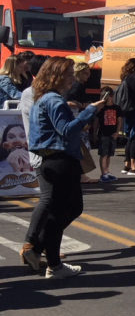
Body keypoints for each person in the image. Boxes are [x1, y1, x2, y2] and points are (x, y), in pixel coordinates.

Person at [27, 57, 105, 278]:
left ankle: (43, 253)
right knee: (60, 211)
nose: (72, 78)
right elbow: (67, 130)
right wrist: (89, 112)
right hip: (59, 159)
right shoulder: (54, 100)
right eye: (69, 74)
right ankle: (48, 258)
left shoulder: (45, 98)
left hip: (56, 159)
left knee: (65, 209)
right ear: (57, 76)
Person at [17, 54, 49, 271]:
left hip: (53, 154)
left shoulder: (47, 93)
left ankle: (40, 246)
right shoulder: (32, 93)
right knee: (50, 201)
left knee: (65, 204)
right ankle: (33, 246)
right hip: (43, 154)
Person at [118, 58, 135, 176]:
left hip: (127, 111)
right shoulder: (134, 78)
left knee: (130, 137)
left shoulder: (126, 77)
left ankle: (127, 164)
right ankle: (134, 166)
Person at [96, 86, 121, 183]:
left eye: (108, 96)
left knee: (109, 154)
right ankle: (103, 173)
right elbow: (97, 121)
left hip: (112, 134)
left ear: (112, 96)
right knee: (104, 154)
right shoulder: (101, 108)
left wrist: (117, 132)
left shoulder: (117, 108)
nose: (107, 98)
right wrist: (94, 133)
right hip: (103, 134)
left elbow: (119, 121)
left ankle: (107, 171)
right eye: (104, 96)